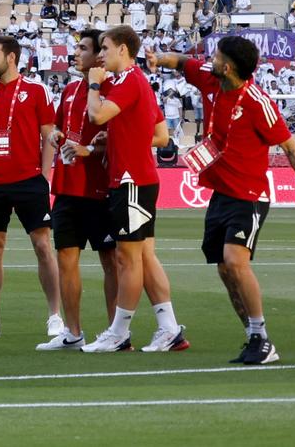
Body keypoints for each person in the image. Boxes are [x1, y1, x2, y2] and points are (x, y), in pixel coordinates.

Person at [150, 38, 295, 365]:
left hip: (250, 195)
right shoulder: (209, 76)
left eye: (216, 55)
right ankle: (252, 337)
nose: (210, 59)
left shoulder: (258, 102)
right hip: (221, 195)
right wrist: (155, 59)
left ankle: (262, 337)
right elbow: (179, 61)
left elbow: (290, 146)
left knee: (235, 260)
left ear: (228, 66)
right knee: (224, 268)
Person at [82, 25, 186, 353]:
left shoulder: (126, 82)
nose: (101, 56)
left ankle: (119, 332)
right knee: (144, 256)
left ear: (124, 50)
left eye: (106, 49)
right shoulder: (138, 82)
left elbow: (96, 115)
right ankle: (169, 329)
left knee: (128, 258)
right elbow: (160, 136)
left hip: (130, 182)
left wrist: (94, 84)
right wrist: (118, 138)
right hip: (140, 178)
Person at [0, 33, 61, 340]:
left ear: (11, 57)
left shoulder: (37, 90)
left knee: (43, 246)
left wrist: (45, 176)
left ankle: (55, 315)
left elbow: (49, 134)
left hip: (28, 180)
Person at [39, 29, 120, 352]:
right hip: (67, 188)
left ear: (99, 55)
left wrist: (91, 149)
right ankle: (73, 332)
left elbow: (121, 138)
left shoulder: (113, 89)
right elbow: (60, 127)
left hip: (100, 188)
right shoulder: (71, 89)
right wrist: (56, 137)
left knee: (110, 261)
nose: (76, 53)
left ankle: (116, 331)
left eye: (83, 48)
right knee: (66, 258)